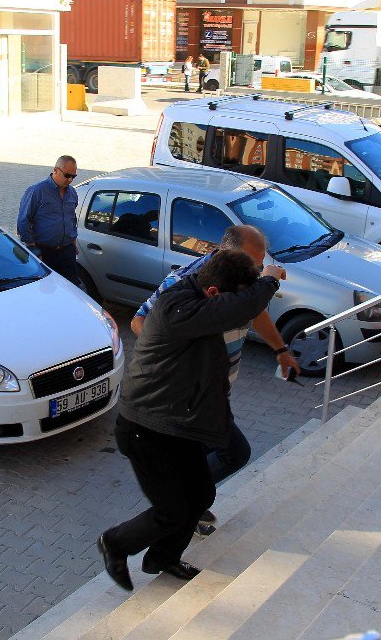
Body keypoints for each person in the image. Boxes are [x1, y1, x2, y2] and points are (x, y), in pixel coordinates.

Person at [98, 251, 286, 591]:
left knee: (200, 494)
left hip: (178, 425)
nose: (240, 306)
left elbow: (240, 306)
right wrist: (269, 280)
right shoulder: (177, 308)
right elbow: (240, 308)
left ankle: (162, 558)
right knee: (172, 509)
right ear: (214, 293)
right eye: (234, 296)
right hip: (146, 429)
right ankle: (115, 543)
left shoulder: (198, 298)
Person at [130, 226, 300, 528]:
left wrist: (281, 350)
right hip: (189, 398)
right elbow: (139, 321)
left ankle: (185, 503)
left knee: (210, 454)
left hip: (215, 393)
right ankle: (178, 507)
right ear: (223, 252)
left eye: (260, 265)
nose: (255, 270)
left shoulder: (244, 281)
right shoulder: (183, 282)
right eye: (250, 262)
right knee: (233, 452)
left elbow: (256, 311)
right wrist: (175, 353)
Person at [17, 156, 80, 284]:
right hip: (45, 253)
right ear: (56, 170)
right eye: (67, 175)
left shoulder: (72, 193)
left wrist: (73, 242)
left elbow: (72, 219)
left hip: (67, 252)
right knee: (47, 290)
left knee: (72, 288)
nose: (70, 180)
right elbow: (23, 221)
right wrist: (32, 248)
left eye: (73, 177)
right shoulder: (37, 191)